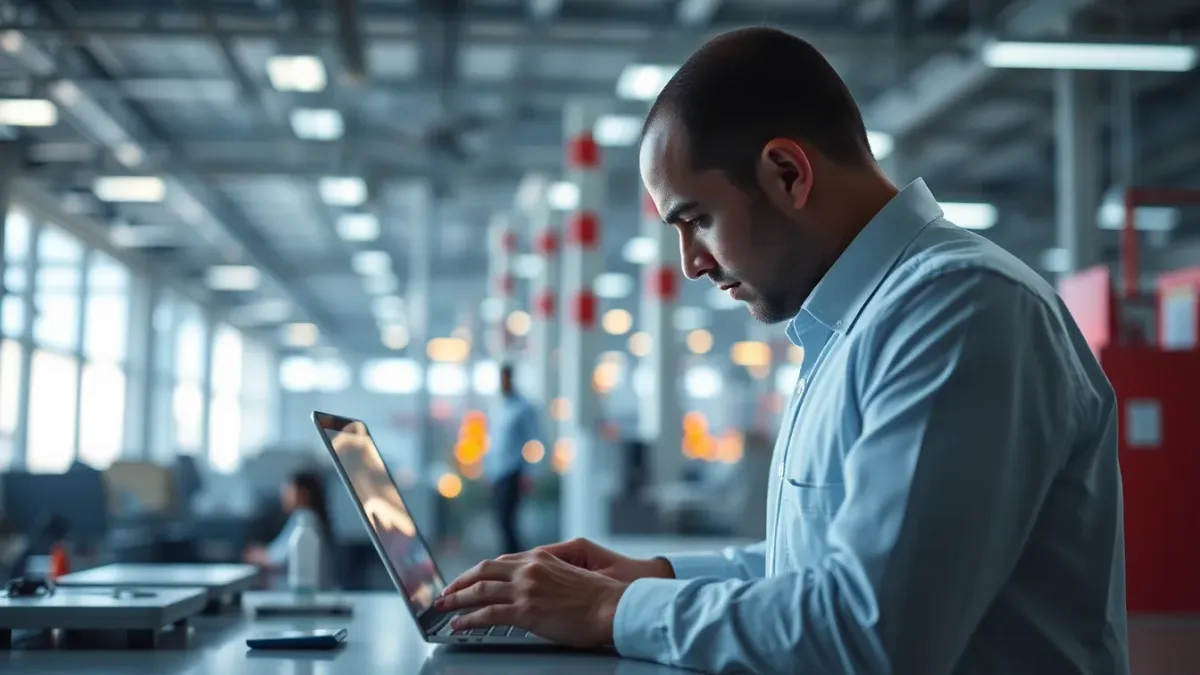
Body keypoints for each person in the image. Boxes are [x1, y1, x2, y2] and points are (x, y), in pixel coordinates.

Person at [434, 26, 1129, 675]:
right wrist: (652, 578)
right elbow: (821, 568)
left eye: (696, 219)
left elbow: (869, 630)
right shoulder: (855, 323)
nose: (691, 264)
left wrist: (605, 609)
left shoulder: (962, 309)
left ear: (788, 174)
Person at [484, 363, 541, 555]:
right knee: (500, 522)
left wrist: (530, 473)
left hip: (514, 472)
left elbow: (534, 441)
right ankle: (509, 559)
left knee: (508, 521)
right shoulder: (500, 408)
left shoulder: (523, 408)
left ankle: (517, 560)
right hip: (498, 473)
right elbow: (495, 444)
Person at [244, 469, 335, 584]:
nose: (284, 495)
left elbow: (277, 559)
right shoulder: (305, 518)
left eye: (289, 490)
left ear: (303, 494)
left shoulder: (305, 521)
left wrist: (257, 556)